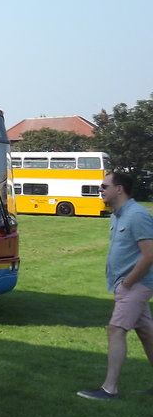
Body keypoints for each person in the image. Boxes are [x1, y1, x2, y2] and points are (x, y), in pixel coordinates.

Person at [76, 171, 153, 400]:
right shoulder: (117, 215)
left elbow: (149, 255)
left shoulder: (138, 215)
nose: (100, 190)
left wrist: (128, 283)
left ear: (119, 189)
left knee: (116, 330)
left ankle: (110, 389)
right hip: (126, 284)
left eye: (104, 186)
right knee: (147, 333)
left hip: (135, 284)